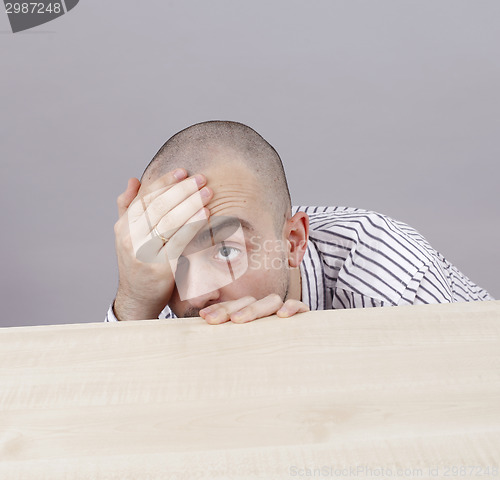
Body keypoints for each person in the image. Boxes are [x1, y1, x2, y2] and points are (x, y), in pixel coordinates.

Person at [105, 121, 493, 324]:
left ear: (292, 242)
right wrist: (134, 306)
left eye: (225, 249)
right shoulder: (169, 289)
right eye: (174, 250)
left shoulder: (391, 280)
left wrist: (300, 353)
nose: (199, 295)